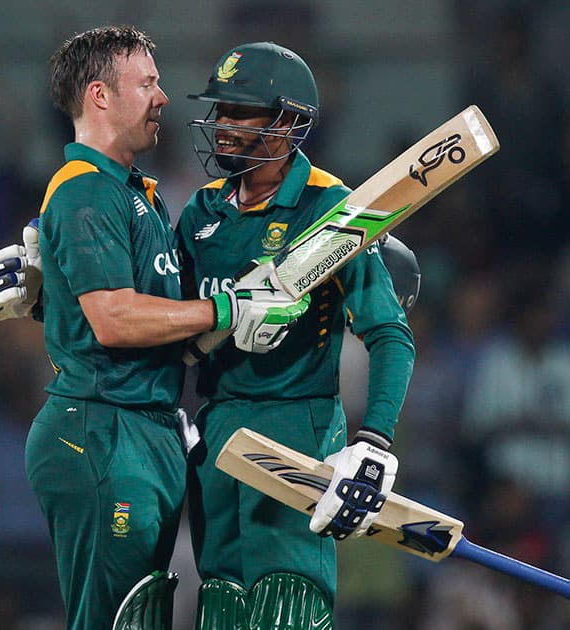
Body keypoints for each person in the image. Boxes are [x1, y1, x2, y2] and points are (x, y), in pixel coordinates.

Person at [0, 27, 310, 629]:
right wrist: (229, 311)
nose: (163, 98)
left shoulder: (138, 195)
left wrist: (45, 293)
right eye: (148, 83)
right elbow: (113, 318)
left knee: (143, 619)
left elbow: (139, 311)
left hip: (144, 429)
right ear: (100, 95)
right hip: (101, 429)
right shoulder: (86, 190)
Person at [176, 42, 415, 627]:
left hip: (297, 426)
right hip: (216, 427)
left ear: (288, 122)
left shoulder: (331, 208)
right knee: (221, 601)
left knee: (288, 599)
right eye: (220, 111)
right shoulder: (201, 212)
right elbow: (163, 323)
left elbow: (390, 335)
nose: (222, 126)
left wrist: (374, 444)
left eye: (241, 113)